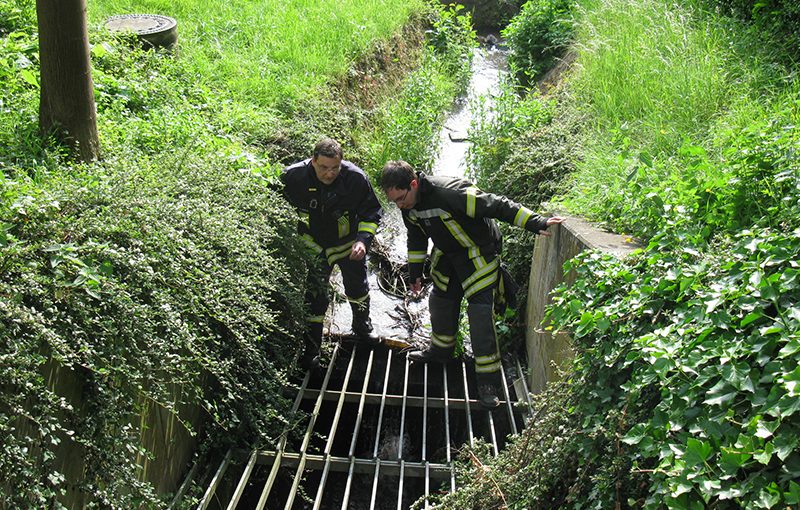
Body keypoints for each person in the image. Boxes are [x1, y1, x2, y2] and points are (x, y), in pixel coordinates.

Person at [380, 160, 564, 409]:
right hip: (447, 256)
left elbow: (496, 204)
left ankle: (487, 381)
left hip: (478, 253)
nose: (400, 205)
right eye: (395, 202)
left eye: (402, 198)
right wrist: (415, 273)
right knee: (440, 302)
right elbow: (417, 238)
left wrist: (536, 222)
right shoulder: (408, 205)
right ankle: (441, 352)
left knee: (479, 315)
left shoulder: (449, 193)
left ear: (413, 184)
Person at [282, 138, 383, 369]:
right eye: (324, 168)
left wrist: (363, 241)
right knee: (315, 298)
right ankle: (311, 349)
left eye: (335, 168)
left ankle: (362, 327)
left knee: (358, 290)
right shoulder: (293, 177)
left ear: (342, 162)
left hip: (349, 248)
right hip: (314, 249)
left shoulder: (356, 178)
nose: (330, 173)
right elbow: (273, 205)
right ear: (313, 161)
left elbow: (372, 211)